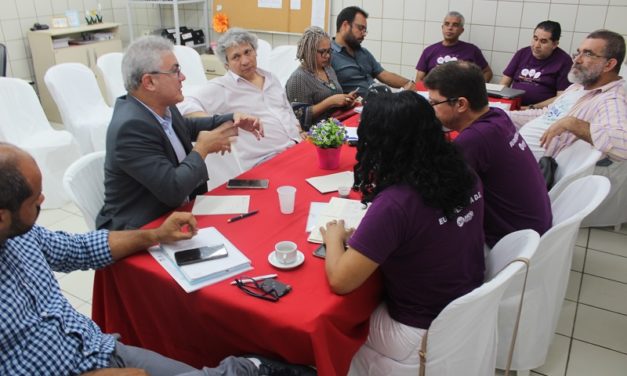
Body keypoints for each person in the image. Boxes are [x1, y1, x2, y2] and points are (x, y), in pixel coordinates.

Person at [0, 142, 316, 376]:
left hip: (99, 349)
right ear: (2, 217)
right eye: (35, 201)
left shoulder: (22, 235)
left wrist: (154, 236)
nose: (44, 202)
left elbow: (78, 248)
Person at [320, 91, 485, 374]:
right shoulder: (463, 170)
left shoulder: (395, 203)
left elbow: (340, 281)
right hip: (465, 307)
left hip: (419, 326)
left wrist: (334, 238)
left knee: (333, 327)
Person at [97, 36, 262, 231]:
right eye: (175, 71)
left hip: (174, 214)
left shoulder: (161, 106)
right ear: (149, 82)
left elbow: (185, 127)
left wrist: (232, 118)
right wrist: (202, 149)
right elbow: (173, 189)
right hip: (142, 228)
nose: (183, 77)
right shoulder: (130, 128)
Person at [424, 61, 552, 247]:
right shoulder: (497, 116)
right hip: (533, 227)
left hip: (512, 243)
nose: (431, 109)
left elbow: (436, 194)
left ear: (461, 104)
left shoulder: (475, 140)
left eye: (434, 103)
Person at [178, 28, 302, 171]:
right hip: (266, 161)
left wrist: (298, 129)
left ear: (255, 52)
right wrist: (215, 122)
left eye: (247, 52)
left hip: (296, 147)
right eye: (236, 57)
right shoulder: (223, 87)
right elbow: (184, 104)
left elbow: (286, 108)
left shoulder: (271, 78)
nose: (245, 61)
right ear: (226, 65)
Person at [507, 29, 627, 162]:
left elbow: (623, 146)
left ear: (609, 64)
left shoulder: (610, 99)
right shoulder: (578, 87)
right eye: (578, 52)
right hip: (516, 151)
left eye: (587, 54)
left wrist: (572, 123)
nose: (577, 59)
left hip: (533, 169)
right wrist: (501, 114)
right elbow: (547, 115)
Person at [330, 6, 415, 97]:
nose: (363, 34)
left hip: (380, 100)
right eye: (360, 28)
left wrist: (409, 83)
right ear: (345, 26)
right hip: (356, 107)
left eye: (365, 30)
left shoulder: (363, 52)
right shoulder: (329, 55)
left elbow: (384, 75)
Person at [285, 26, 357, 131]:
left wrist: (345, 101)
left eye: (329, 51)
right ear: (309, 51)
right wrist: (330, 102)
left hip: (336, 125)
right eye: (322, 52)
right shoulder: (298, 78)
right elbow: (299, 117)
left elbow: (334, 98)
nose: (327, 56)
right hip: (317, 134)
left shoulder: (328, 69)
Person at [499, 21, 572, 107]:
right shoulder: (522, 53)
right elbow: (504, 83)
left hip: (540, 111)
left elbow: (561, 98)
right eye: (535, 39)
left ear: (554, 44)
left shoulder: (564, 61)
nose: (536, 45)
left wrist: (532, 108)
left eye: (543, 41)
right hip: (513, 105)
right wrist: (504, 101)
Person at [415, 11, 492, 83]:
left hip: (461, 95)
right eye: (447, 24)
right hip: (434, 94)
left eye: (455, 25)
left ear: (461, 30)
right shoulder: (429, 51)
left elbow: (487, 72)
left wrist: (477, 89)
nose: (450, 28)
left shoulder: (472, 50)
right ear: (442, 27)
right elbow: (419, 79)